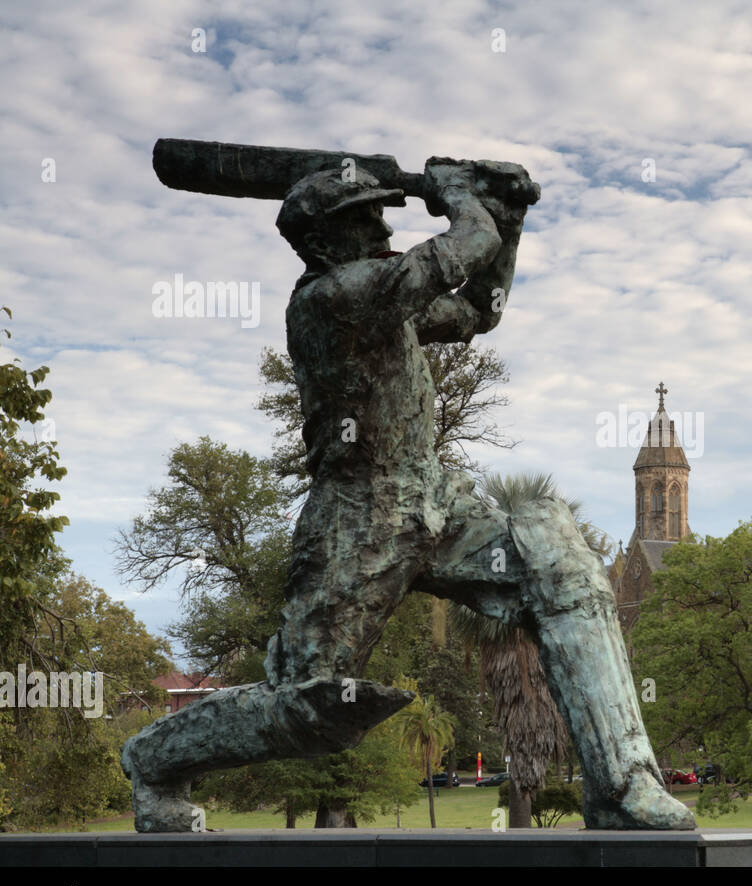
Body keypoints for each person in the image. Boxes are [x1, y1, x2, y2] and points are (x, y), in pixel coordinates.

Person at [121, 159, 694, 832]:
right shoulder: (333, 298)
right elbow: (457, 253)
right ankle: (154, 759)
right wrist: (459, 196)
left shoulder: (386, 307)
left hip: (435, 498)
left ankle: (622, 788)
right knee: (312, 707)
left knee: (560, 560)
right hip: (359, 517)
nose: (385, 225)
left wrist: (507, 221)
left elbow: (481, 308)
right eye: (368, 217)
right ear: (327, 240)